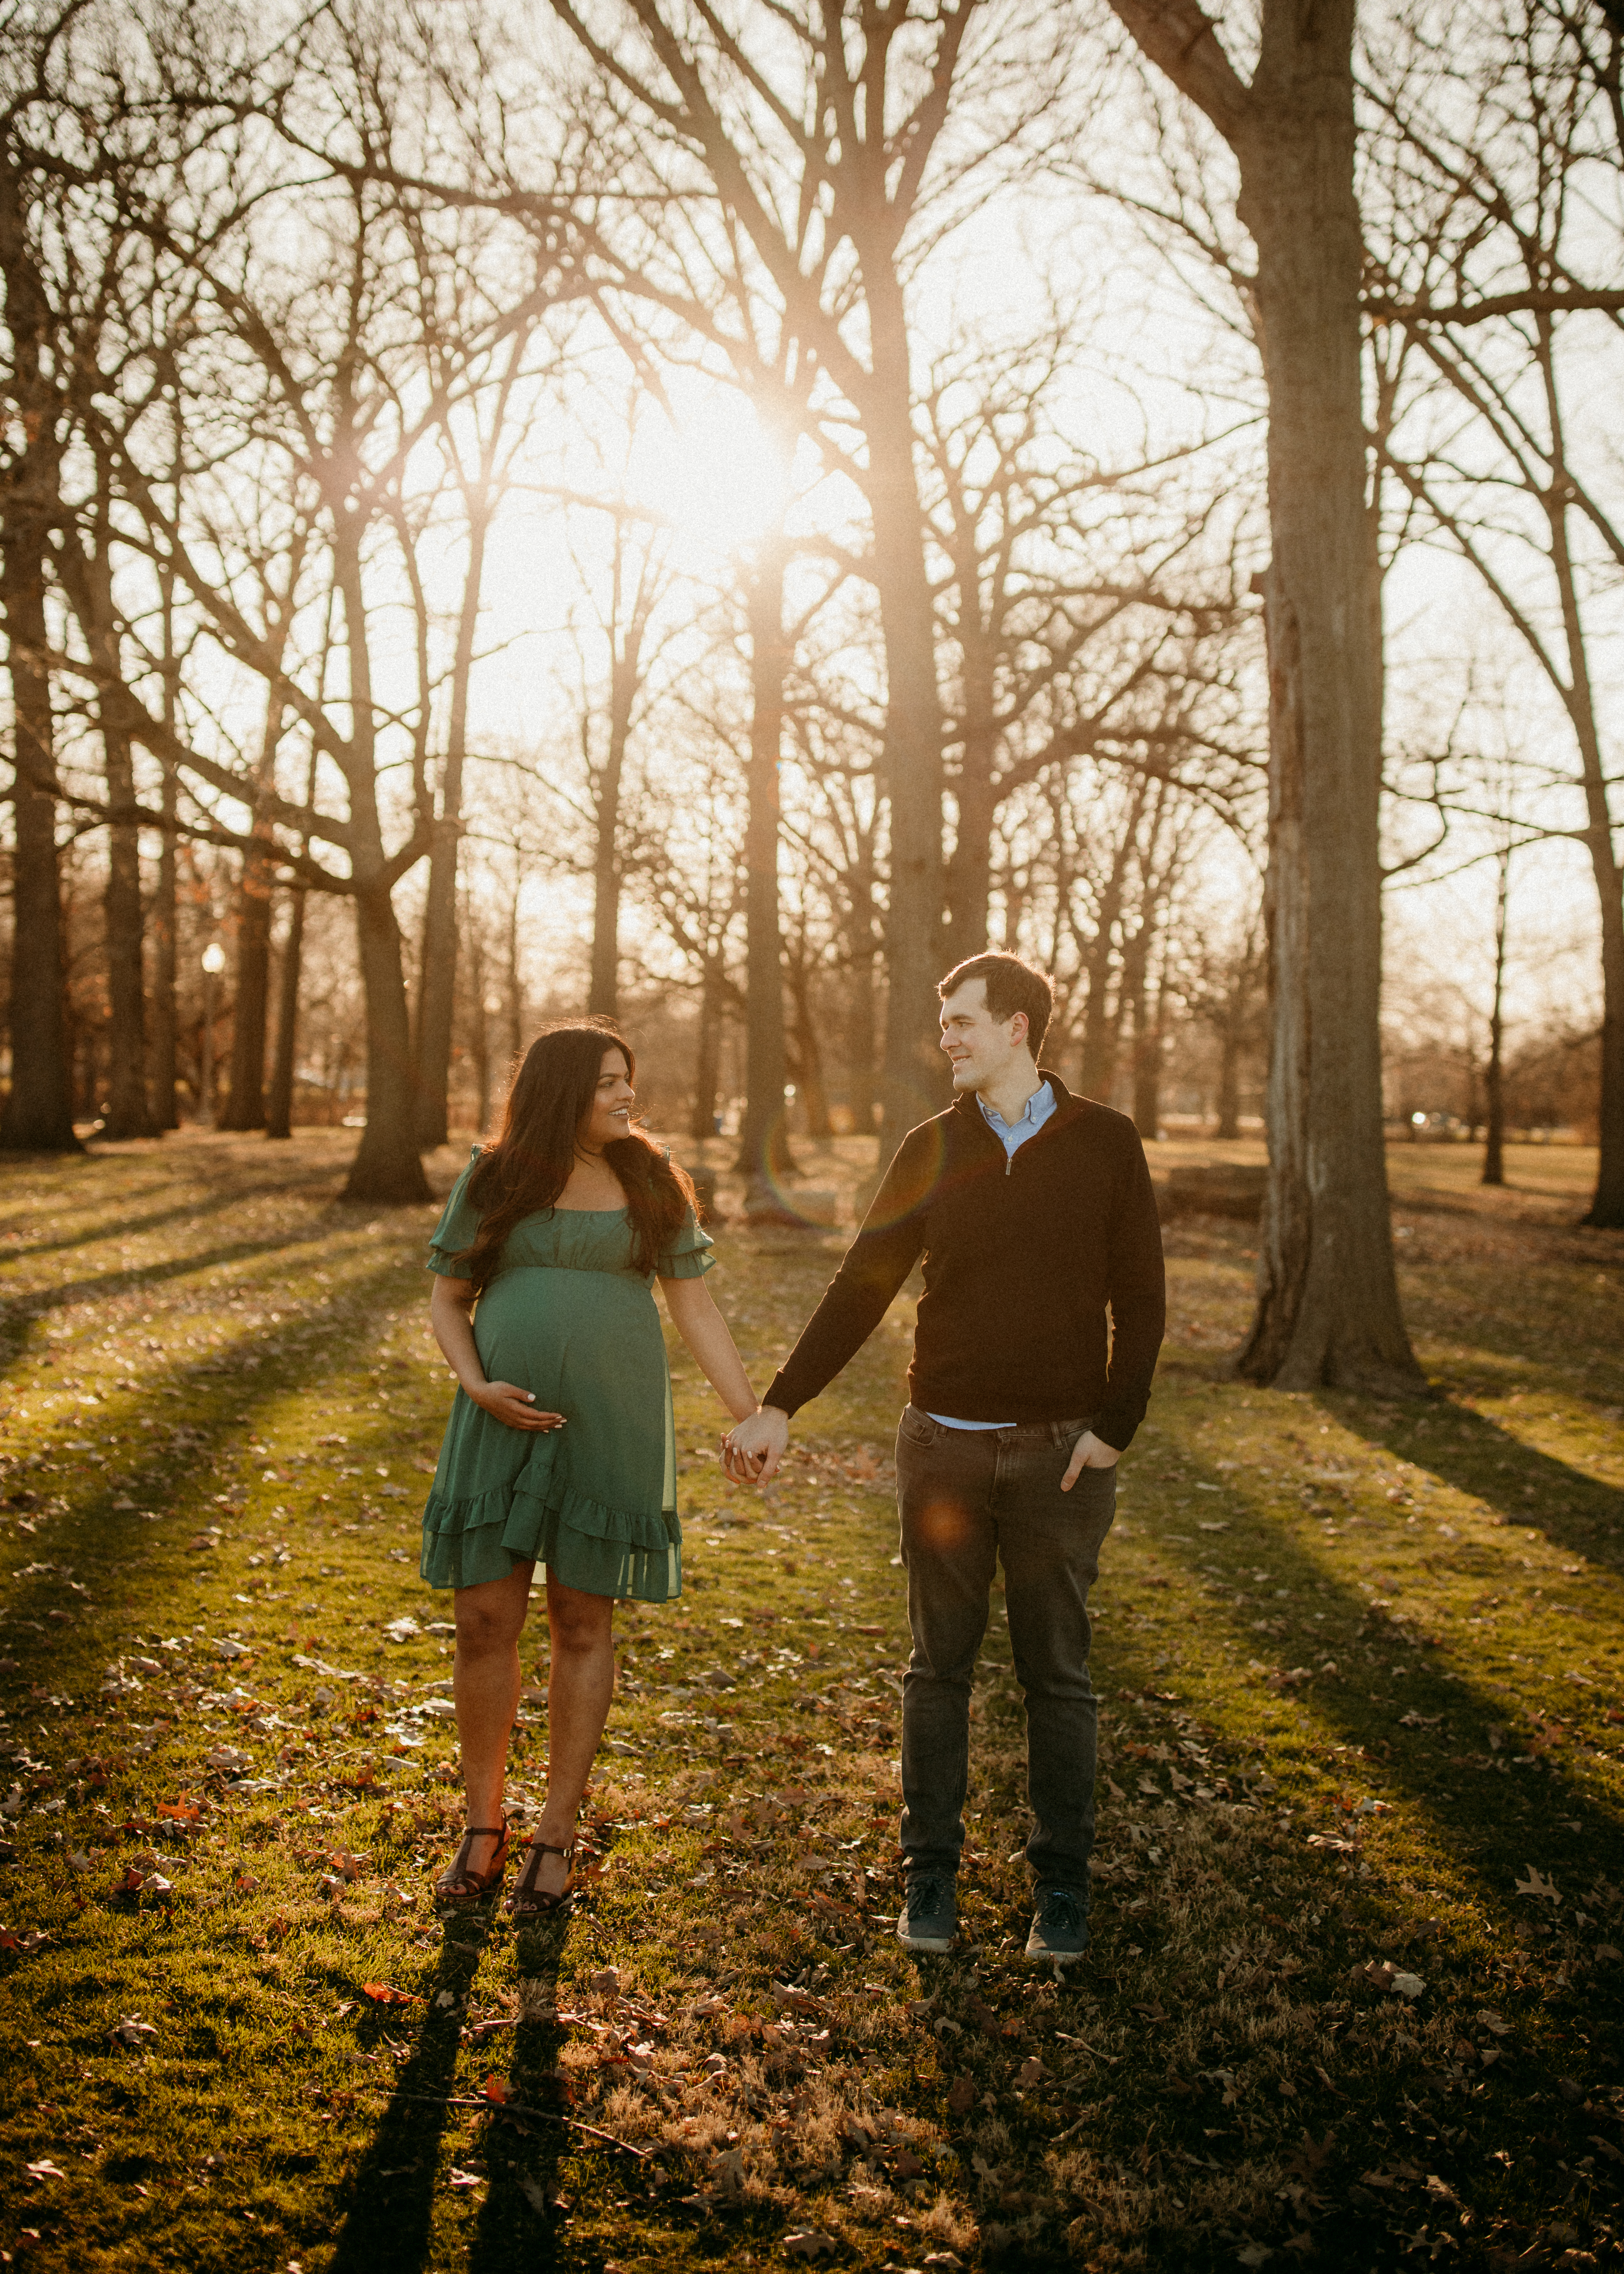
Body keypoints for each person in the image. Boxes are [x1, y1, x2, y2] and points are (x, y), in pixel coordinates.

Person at [723, 953, 1165, 1963]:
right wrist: (782, 1404)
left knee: (1058, 1678)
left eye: (963, 1022)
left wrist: (1113, 1427)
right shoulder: (930, 1147)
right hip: (944, 1455)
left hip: (1062, 1459)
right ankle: (930, 1878)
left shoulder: (1105, 1142)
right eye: (943, 1023)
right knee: (939, 1671)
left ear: (1017, 1027)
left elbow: (1140, 1297)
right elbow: (861, 1286)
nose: (946, 1039)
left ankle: (1062, 1892)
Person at [421, 1021, 759, 1915]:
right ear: (559, 1089)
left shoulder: (648, 1178)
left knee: (581, 1620)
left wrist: (750, 1415)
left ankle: (556, 1833)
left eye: (628, 1080)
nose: (625, 1095)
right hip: (498, 1422)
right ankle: (482, 1826)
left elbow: (694, 1305)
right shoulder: (497, 1177)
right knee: (484, 1619)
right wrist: (475, 1384)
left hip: (610, 1424)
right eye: (608, 1081)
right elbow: (449, 1299)